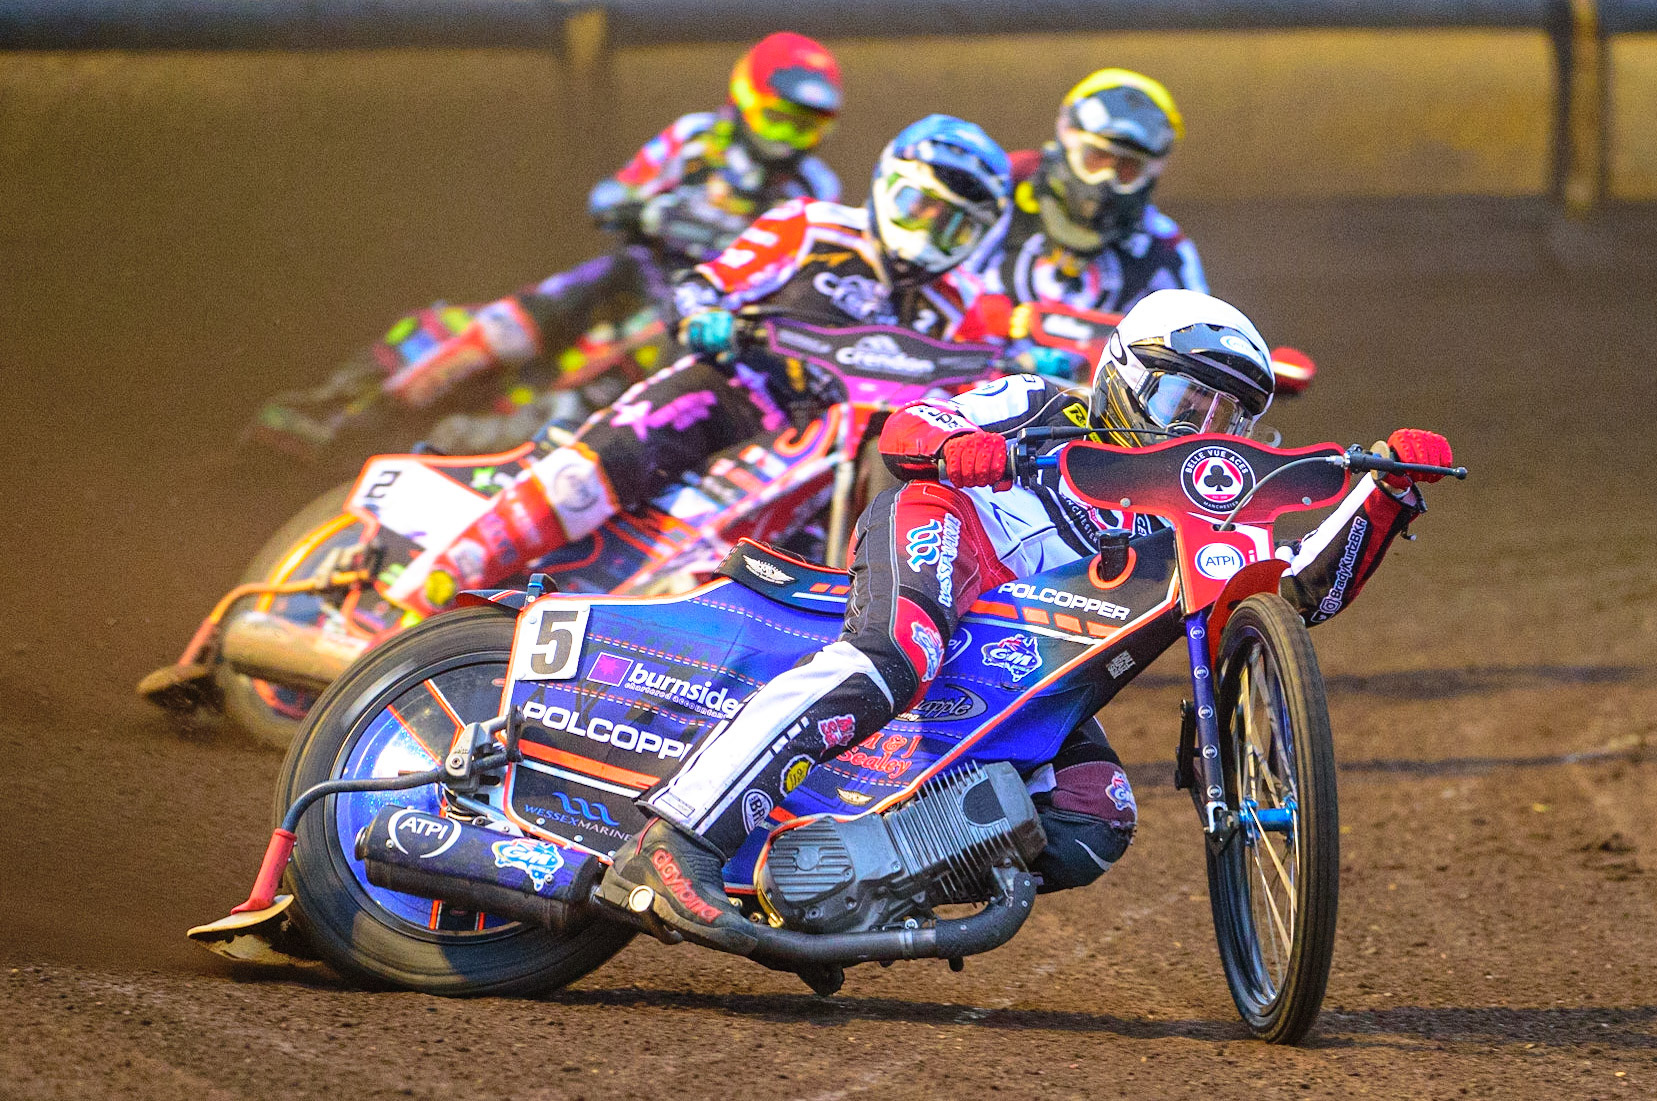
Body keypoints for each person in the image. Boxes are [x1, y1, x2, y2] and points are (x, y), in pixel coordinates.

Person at [599, 288, 1455, 951]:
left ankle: (838, 890)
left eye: (1230, 416)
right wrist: (956, 446)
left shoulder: (1200, 513)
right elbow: (911, 426)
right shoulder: (1044, 402)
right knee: (893, 652)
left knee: (1096, 813)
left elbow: (1293, 591)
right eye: (1185, 402)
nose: (1206, 430)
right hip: (947, 534)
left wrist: (1383, 498)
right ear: (1124, 372)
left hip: (1026, 668)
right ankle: (675, 839)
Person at [385, 114, 1013, 615]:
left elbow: (988, 380)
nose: (930, 232)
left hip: (831, 453)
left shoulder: (962, 304)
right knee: (600, 466)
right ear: (885, 183)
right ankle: (433, 588)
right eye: (919, 205)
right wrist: (705, 311)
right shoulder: (811, 226)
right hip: (735, 387)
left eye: (956, 225)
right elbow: (709, 280)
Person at [255, 33, 843, 452]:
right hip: (629, 278)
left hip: (688, 319)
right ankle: (346, 413)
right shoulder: (696, 142)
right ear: (746, 99)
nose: (792, 138)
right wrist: (659, 213)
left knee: (622, 409)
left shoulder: (815, 189)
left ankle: (489, 452)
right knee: (516, 322)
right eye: (781, 117)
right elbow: (608, 198)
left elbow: (799, 277)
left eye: (808, 124)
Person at [952, 69, 1205, 381]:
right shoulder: (1000, 190)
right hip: (962, 395)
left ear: (1150, 172)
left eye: (1127, 169)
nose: (1106, 182)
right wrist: (978, 317)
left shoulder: (1164, 248)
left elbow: (1197, 349)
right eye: (1097, 158)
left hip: (1089, 418)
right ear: (1068, 141)